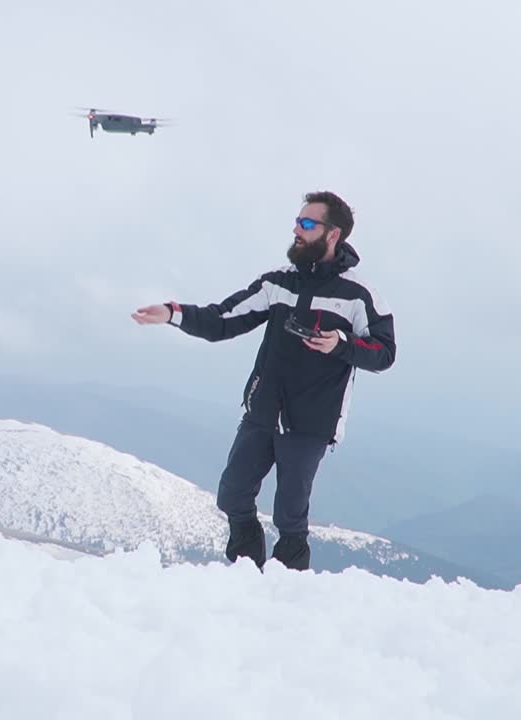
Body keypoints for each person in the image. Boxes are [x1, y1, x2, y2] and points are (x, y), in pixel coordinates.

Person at [131, 191, 396, 571]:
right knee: (232, 496)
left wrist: (341, 345)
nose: (296, 229)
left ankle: (287, 589)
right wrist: (173, 314)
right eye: (297, 221)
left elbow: (384, 352)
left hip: (311, 424)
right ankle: (243, 575)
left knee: (290, 516)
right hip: (263, 412)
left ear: (333, 234)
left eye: (307, 224)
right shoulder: (277, 284)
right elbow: (223, 319)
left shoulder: (359, 295)